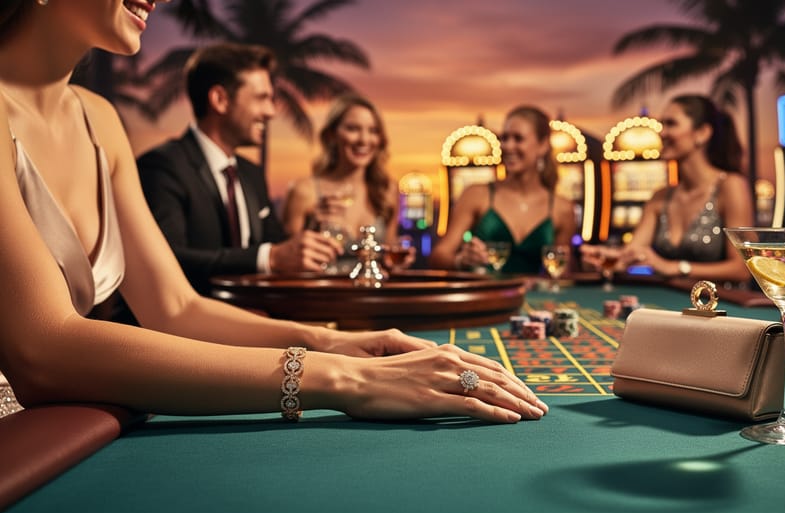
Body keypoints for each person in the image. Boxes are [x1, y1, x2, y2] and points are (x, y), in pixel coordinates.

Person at [0, 0, 546, 424]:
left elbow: (174, 307)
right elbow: (45, 350)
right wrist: (343, 379)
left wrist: (332, 341)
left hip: (81, 419)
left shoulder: (100, 118)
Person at [137, 42, 341, 295]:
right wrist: (270, 259)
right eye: (262, 98)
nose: (271, 111)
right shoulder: (162, 166)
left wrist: (311, 230)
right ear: (220, 100)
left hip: (250, 319)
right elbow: (167, 259)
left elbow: (275, 244)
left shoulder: (250, 173)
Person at [581, 94, 753, 283]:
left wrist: (675, 267)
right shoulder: (660, 196)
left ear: (702, 133)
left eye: (671, 124)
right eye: (662, 124)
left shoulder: (730, 186)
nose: (662, 133)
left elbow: (742, 268)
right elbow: (631, 255)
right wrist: (605, 258)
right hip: (674, 303)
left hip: (720, 304)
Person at [429, 105, 576, 274]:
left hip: (534, 299)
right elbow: (439, 256)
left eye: (518, 139)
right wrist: (461, 260)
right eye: (504, 138)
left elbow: (562, 272)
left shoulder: (562, 208)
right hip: (485, 296)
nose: (507, 146)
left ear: (542, 145)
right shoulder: (477, 194)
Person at [280, 93, 413, 273]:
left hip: (371, 296)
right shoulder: (305, 191)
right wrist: (312, 227)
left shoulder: (387, 190)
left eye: (373, 131)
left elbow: (387, 257)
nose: (364, 140)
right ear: (331, 135)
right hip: (320, 297)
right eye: (353, 129)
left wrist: (396, 263)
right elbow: (285, 264)